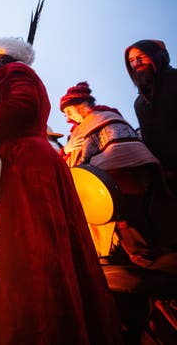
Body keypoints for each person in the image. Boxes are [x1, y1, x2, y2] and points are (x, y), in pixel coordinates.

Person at [0, 37, 122, 344]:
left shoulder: (14, 71)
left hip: (27, 169)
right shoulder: (10, 75)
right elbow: (5, 116)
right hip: (23, 164)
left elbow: (20, 109)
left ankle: (42, 328)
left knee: (32, 247)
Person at [59, 82, 177, 269]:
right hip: (102, 194)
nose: (67, 117)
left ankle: (159, 279)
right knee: (125, 244)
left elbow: (123, 150)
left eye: (69, 111)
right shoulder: (78, 131)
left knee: (135, 239)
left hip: (122, 188)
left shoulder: (103, 118)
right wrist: (67, 150)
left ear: (81, 105)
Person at [125, 40, 177, 196]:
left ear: (157, 56)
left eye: (142, 56)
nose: (137, 63)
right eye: (131, 60)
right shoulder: (139, 104)